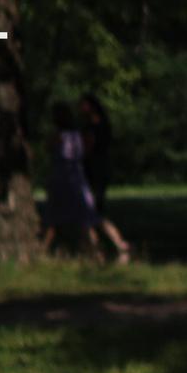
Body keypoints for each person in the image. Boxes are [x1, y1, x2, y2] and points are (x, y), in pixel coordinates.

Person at [37, 105, 101, 260]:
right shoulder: (79, 135)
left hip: (62, 177)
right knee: (83, 219)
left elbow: (48, 148)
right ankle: (96, 253)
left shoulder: (58, 136)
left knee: (53, 217)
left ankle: (41, 252)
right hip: (77, 177)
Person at [77, 95, 131, 263]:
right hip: (99, 171)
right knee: (90, 214)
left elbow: (87, 148)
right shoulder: (103, 125)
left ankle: (117, 246)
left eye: (83, 105)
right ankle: (95, 250)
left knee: (92, 213)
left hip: (91, 172)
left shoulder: (92, 127)